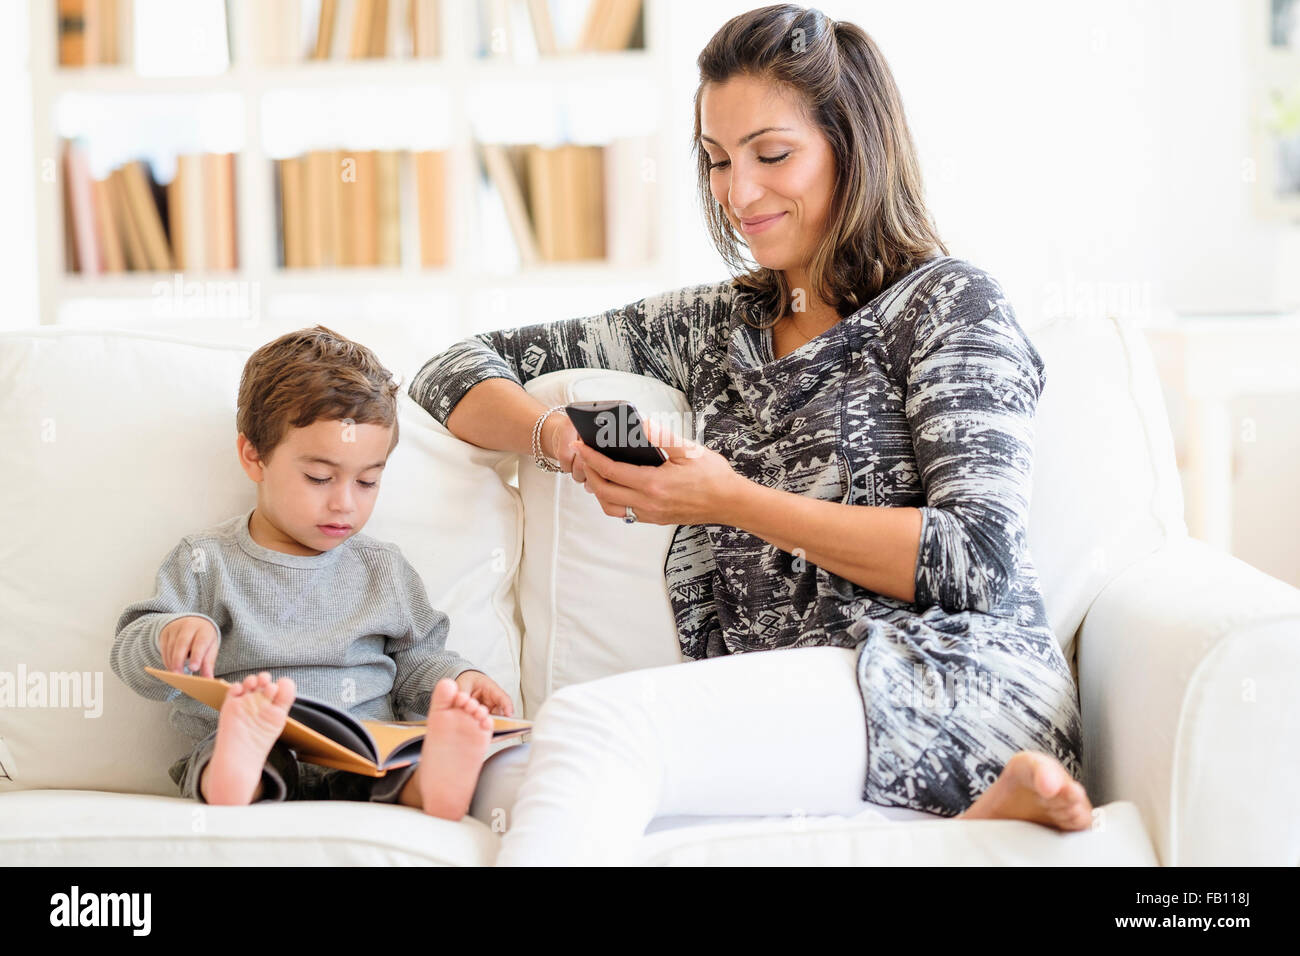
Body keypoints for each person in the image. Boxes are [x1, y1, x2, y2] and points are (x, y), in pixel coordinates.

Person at [413, 4, 1093, 865]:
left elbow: (976, 559)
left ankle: (972, 801)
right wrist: (562, 439)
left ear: (856, 145)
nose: (738, 193)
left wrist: (730, 501)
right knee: (523, 772)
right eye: (717, 161)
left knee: (591, 727)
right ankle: (961, 830)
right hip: (798, 723)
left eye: (772, 155)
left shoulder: (947, 303)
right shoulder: (716, 326)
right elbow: (452, 368)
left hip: (950, 680)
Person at [110, 325, 514, 818]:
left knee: (394, 765)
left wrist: (459, 679)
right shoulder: (206, 560)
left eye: (367, 481)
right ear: (253, 456)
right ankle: (238, 775)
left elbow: (416, 661)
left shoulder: (381, 568)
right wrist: (168, 634)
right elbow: (135, 661)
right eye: (319, 477)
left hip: (361, 749)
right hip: (256, 737)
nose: (344, 502)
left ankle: (436, 782)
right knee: (230, 754)